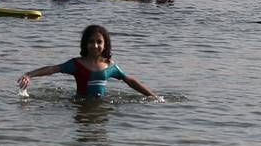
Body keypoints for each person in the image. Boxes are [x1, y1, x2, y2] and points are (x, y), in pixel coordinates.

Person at [18, 24, 159, 99]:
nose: (95, 45)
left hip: (102, 105)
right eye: (91, 42)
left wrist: (153, 97)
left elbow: (130, 81)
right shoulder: (76, 64)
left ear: (105, 45)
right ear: (85, 44)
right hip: (80, 104)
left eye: (99, 42)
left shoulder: (110, 66)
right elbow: (53, 69)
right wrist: (29, 75)